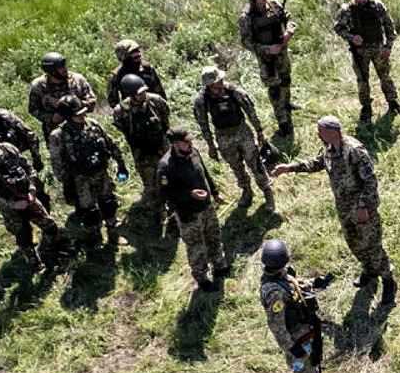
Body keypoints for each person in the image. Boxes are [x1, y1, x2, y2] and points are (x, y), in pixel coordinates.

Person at [273, 115, 394, 295]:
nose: (318, 134)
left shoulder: (354, 151)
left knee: (372, 244)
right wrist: (289, 168)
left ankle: (388, 281)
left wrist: (363, 207)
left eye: (321, 131)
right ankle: (369, 271)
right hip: (344, 208)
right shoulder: (328, 148)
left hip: (362, 208)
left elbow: (370, 181)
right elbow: (315, 163)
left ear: (332, 132)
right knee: (354, 243)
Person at [258, 239, 334, 373]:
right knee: (301, 371)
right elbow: (277, 326)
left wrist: (316, 282)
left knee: (313, 362)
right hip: (296, 339)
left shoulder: (282, 275)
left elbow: (295, 286)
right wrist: (293, 349)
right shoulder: (273, 292)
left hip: (307, 330)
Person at [0, 122, 63, 273]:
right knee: (23, 236)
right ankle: (36, 264)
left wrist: (32, 190)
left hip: (27, 196)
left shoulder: (9, 149)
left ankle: (58, 247)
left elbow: (28, 168)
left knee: (48, 223)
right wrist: (11, 204)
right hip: (10, 206)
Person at [193, 66, 277, 211]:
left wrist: (259, 131)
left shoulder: (234, 91)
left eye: (220, 79)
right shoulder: (202, 100)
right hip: (223, 137)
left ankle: (267, 193)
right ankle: (246, 190)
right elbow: (203, 123)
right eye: (217, 80)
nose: (221, 82)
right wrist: (211, 145)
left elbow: (250, 110)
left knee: (255, 162)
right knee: (236, 166)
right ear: (209, 84)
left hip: (242, 132)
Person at [48, 101, 129, 251]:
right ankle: (95, 237)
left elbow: (111, 143)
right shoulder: (58, 135)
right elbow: (56, 162)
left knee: (109, 203)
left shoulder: (92, 124)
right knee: (89, 211)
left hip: (101, 172)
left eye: (82, 113)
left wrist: (121, 164)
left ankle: (113, 233)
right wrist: (66, 182)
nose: (81, 117)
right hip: (80, 179)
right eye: (77, 115)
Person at [159, 128, 230, 290]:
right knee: (196, 247)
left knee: (214, 236)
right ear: (175, 144)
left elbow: (204, 173)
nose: (190, 144)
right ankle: (202, 278)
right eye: (186, 142)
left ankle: (220, 266)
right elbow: (167, 194)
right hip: (188, 214)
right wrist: (190, 195)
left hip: (206, 207)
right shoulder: (166, 167)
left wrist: (215, 192)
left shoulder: (193, 152)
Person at [335, 0, 400, 125]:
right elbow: (338, 28)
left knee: (385, 76)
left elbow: (389, 25)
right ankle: (366, 107)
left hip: (378, 49)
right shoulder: (346, 10)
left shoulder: (377, 6)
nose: (362, 0)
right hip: (360, 52)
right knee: (362, 80)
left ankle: (393, 102)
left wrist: (388, 46)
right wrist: (352, 37)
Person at [238, 0, 297, 132]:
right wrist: (266, 49)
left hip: (281, 52)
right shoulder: (247, 17)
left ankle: (287, 105)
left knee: (286, 79)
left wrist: (288, 32)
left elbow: (289, 18)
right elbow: (245, 41)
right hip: (266, 58)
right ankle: (282, 120)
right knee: (274, 88)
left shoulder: (274, 4)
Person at [112, 79, 174, 210]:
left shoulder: (155, 101)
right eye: (139, 93)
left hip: (161, 147)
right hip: (142, 153)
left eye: (144, 91)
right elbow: (122, 128)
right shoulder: (121, 111)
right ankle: (158, 209)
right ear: (130, 94)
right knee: (151, 183)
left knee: (171, 177)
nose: (143, 95)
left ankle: (175, 205)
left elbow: (166, 115)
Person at [26, 52, 99, 137]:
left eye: (64, 65)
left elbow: (92, 102)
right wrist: (51, 118)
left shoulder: (77, 80)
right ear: (52, 71)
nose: (65, 69)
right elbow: (33, 109)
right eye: (60, 67)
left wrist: (70, 105)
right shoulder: (39, 86)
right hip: (55, 133)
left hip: (81, 128)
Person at [108, 39, 164, 110]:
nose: (138, 58)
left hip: (152, 109)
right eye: (135, 57)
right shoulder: (116, 75)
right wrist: (126, 110)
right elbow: (113, 101)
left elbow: (160, 93)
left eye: (138, 55)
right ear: (125, 58)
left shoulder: (147, 68)